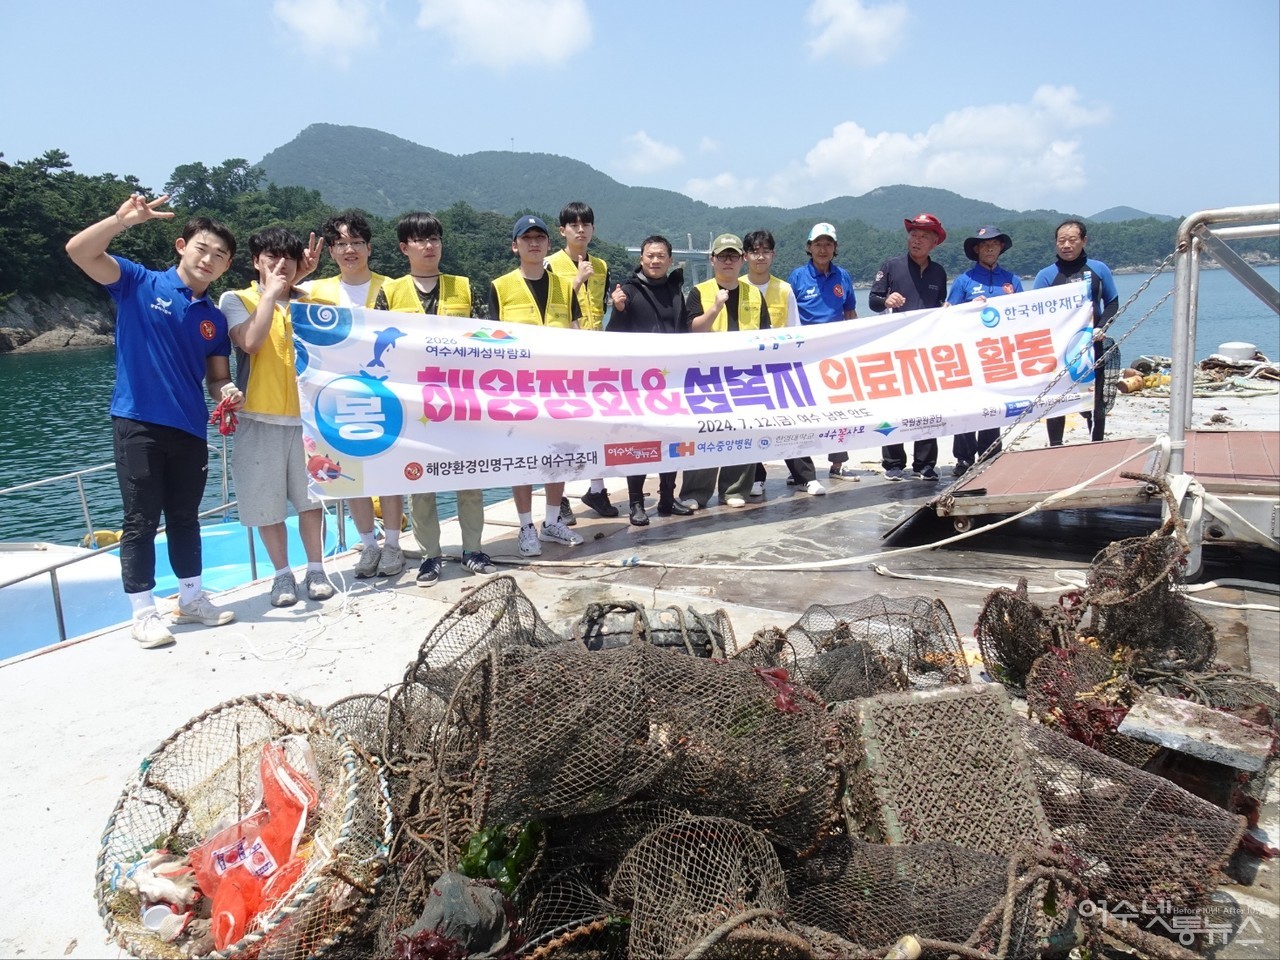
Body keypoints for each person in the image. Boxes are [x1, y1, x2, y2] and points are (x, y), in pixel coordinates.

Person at [65, 194, 241, 648]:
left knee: (186, 517)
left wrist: (227, 392)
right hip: (137, 422)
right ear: (182, 246)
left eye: (220, 256)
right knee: (140, 519)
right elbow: (80, 252)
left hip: (189, 427)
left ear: (226, 268)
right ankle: (143, 612)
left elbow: (217, 375)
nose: (209, 259)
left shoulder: (214, 319)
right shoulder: (138, 282)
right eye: (203, 248)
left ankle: (191, 600)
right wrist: (120, 221)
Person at [373, 211, 497, 586]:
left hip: (460, 400)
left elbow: (484, 339)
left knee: (469, 478)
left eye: (435, 239)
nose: (429, 246)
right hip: (412, 403)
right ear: (404, 247)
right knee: (419, 481)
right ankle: (430, 556)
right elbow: (374, 345)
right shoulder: (390, 292)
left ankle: (472, 549)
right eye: (421, 240)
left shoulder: (463, 286)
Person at [219, 228, 336, 607]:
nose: (279, 263)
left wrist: (293, 284)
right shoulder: (235, 299)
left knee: (311, 502)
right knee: (267, 505)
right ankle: (282, 576)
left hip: (308, 420)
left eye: (287, 257)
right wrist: (271, 291)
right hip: (259, 419)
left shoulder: (311, 301)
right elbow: (250, 342)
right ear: (255, 262)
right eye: (270, 257)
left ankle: (316, 569)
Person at [300, 210, 403, 579]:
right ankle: (369, 545)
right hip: (335, 395)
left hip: (387, 393)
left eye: (356, 242)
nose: (349, 250)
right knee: (349, 471)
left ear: (369, 248)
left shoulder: (391, 288)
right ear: (330, 251)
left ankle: (393, 544)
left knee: (389, 472)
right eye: (341, 243)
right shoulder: (314, 291)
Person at [488, 215, 585, 557]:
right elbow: (490, 343)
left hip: (558, 388)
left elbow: (575, 332)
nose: (533, 243)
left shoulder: (564, 284)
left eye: (539, 237)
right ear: (515, 245)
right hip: (517, 391)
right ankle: (526, 525)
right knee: (522, 458)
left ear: (547, 244)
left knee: (557, 455)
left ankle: (552, 521)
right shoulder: (500, 287)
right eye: (526, 237)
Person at [607, 235, 697, 525]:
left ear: (670, 260)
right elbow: (612, 338)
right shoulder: (628, 291)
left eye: (661, 256)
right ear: (641, 259)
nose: (655, 261)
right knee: (640, 441)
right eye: (650, 256)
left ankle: (668, 498)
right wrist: (618, 311)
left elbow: (684, 332)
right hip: (638, 382)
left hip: (671, 380)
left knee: (671, 439)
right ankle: (636, 504)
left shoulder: (675, 290)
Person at [678, 233, 768, 509]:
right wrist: (716, 307)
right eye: (722, 256)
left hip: (745, 374)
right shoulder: (699, 292)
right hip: (707, 376)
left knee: (745, 430)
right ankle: (695, 492)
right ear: (712, 259)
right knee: (705, 432)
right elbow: (692, 329)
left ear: (742, 260)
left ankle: (734, 489)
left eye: (733, 256)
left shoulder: (754, 292)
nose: (727, 261)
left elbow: (766, 333)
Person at [546, 201, 618, 522]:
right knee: (561, 429)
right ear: (562, 230)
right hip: (560, 358)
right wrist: (574, 281)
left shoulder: (601, 265)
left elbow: (599, 308)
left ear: (593, 229)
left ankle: (597, 489)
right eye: (573, 224)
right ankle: (558, 500)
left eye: (585, 224)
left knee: (597, 425)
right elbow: (548, 309)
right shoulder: (549, 264)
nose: (580, 229)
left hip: (595, 356)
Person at [741, 229, 825, 498]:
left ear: (773, 255)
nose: (760, 256)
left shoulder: (784, 289)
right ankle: (755, 477)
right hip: (746, 369)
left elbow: (794, 330)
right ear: (745, 256)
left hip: (780, 367)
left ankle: (805, 477)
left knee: (790, 423)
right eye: (755, 251)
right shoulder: (737, 288)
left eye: (765, 251)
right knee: (750, 424)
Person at [868, 213, 949, 481]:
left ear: (935, 242)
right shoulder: (891, 266)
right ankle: (892, 463)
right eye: (914, 234)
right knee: (893, 406)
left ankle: (925, 464)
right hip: (895, 350)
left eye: (924, 236)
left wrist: (946, 311)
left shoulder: (939, 272)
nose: (917, 240)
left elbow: (940, 306)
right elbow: (872, 300)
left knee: (927, 406)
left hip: (927, 352)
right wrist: (887, 299)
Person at [946, 225, 1024, 474]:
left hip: (1000, 355)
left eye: (994, 243)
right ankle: (964, 457)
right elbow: (948, 314)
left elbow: (1024, 314)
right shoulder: (964, 280)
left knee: (994, 403)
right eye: (984, 244)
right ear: (977, 249)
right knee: (968, 406)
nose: (989, 247)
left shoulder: (1012, 280)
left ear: (1001, 247)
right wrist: (969, 308)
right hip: (969, 354)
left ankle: (990, 453)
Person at [1034, 220, 1119, 445]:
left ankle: (1096, 445)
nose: (1066, 245)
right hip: (1058, 350)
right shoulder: (1046, 276)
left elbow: (1112, 302)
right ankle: (1055, 447)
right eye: (1061, 241)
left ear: (1084, 241)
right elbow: (1035, 313)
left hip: (1092, 345)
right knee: (1056, 401)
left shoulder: (1099, 269)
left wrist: (1101, 327)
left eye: (1072, 240)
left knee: (1094, 401)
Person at [787, 222, 860, 480]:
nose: (823, 249)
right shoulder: (797, 277)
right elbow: (788, 315)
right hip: (804, 356)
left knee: (840, 410)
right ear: (809, 247)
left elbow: (850, 313)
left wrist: (860, 342)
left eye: (828, 244)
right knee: (802, 413)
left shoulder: (844, 276)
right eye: (818, 243)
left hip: (836, 355)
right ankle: (800, 471)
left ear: (835, 248)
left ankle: (838, 465)